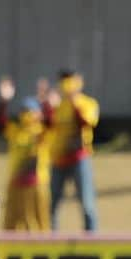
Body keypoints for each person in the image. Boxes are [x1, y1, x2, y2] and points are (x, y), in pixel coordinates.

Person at [45, 70, 99, 233]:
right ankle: (50, 239)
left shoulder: (88, 103)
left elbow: (86, 122)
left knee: (86, 202)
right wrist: (48, 106)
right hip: (58, 159)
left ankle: (91, 238)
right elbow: (47, 127)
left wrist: (74, 100)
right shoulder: (57, 105)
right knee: (52, 203)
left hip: (78, 157)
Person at [0, 78, 50, 232]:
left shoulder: (42, 131)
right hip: (15, 181)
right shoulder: (16, 131)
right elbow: (0, 122)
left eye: (31, 111)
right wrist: (4, 101)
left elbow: (51, 121)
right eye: (24, 111)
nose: (27, 114)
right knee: (10, 223)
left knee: (37, 223)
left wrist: (45, 100)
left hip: (36, 183)